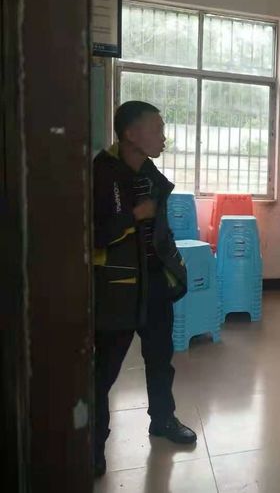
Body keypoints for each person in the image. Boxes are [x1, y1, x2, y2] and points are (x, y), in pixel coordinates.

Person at [93, 101, 197, 477]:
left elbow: (160, 232)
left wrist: (173, 269)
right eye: (157, 129)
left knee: (159, 357)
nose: (164, 137)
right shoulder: (101, 174)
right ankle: (94, 444)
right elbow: (95, 234)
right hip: (117, 287)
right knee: (103, 370)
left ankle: (163, 419)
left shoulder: (151, 176)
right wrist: (134, 216)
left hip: (153, 283)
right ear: (130, 134)